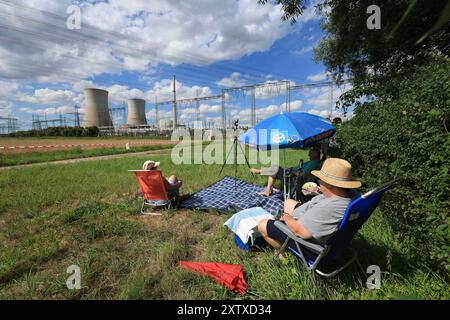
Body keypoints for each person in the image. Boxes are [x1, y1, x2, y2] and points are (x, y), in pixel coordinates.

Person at [257, 158, 361, 255]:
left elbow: (299, 231)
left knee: (262, 224)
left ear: (330, 184)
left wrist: (286, 217)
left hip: (309, 243)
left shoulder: (327, 208)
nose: (318, 181)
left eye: (320, 179)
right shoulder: (352, 195)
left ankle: (283, 254)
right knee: (288, 202)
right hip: (314, 221)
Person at [250, 147, 321, 196]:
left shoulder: (314, 163)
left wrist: (292, 171)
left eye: (310, 153)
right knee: (274, 169)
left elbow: (302, 174)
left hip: (293, 179)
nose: (308, 155)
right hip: (291, 173)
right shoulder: (312, 162)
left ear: (315, 154)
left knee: (275, 168)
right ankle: (268, 190)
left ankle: (259, 172)